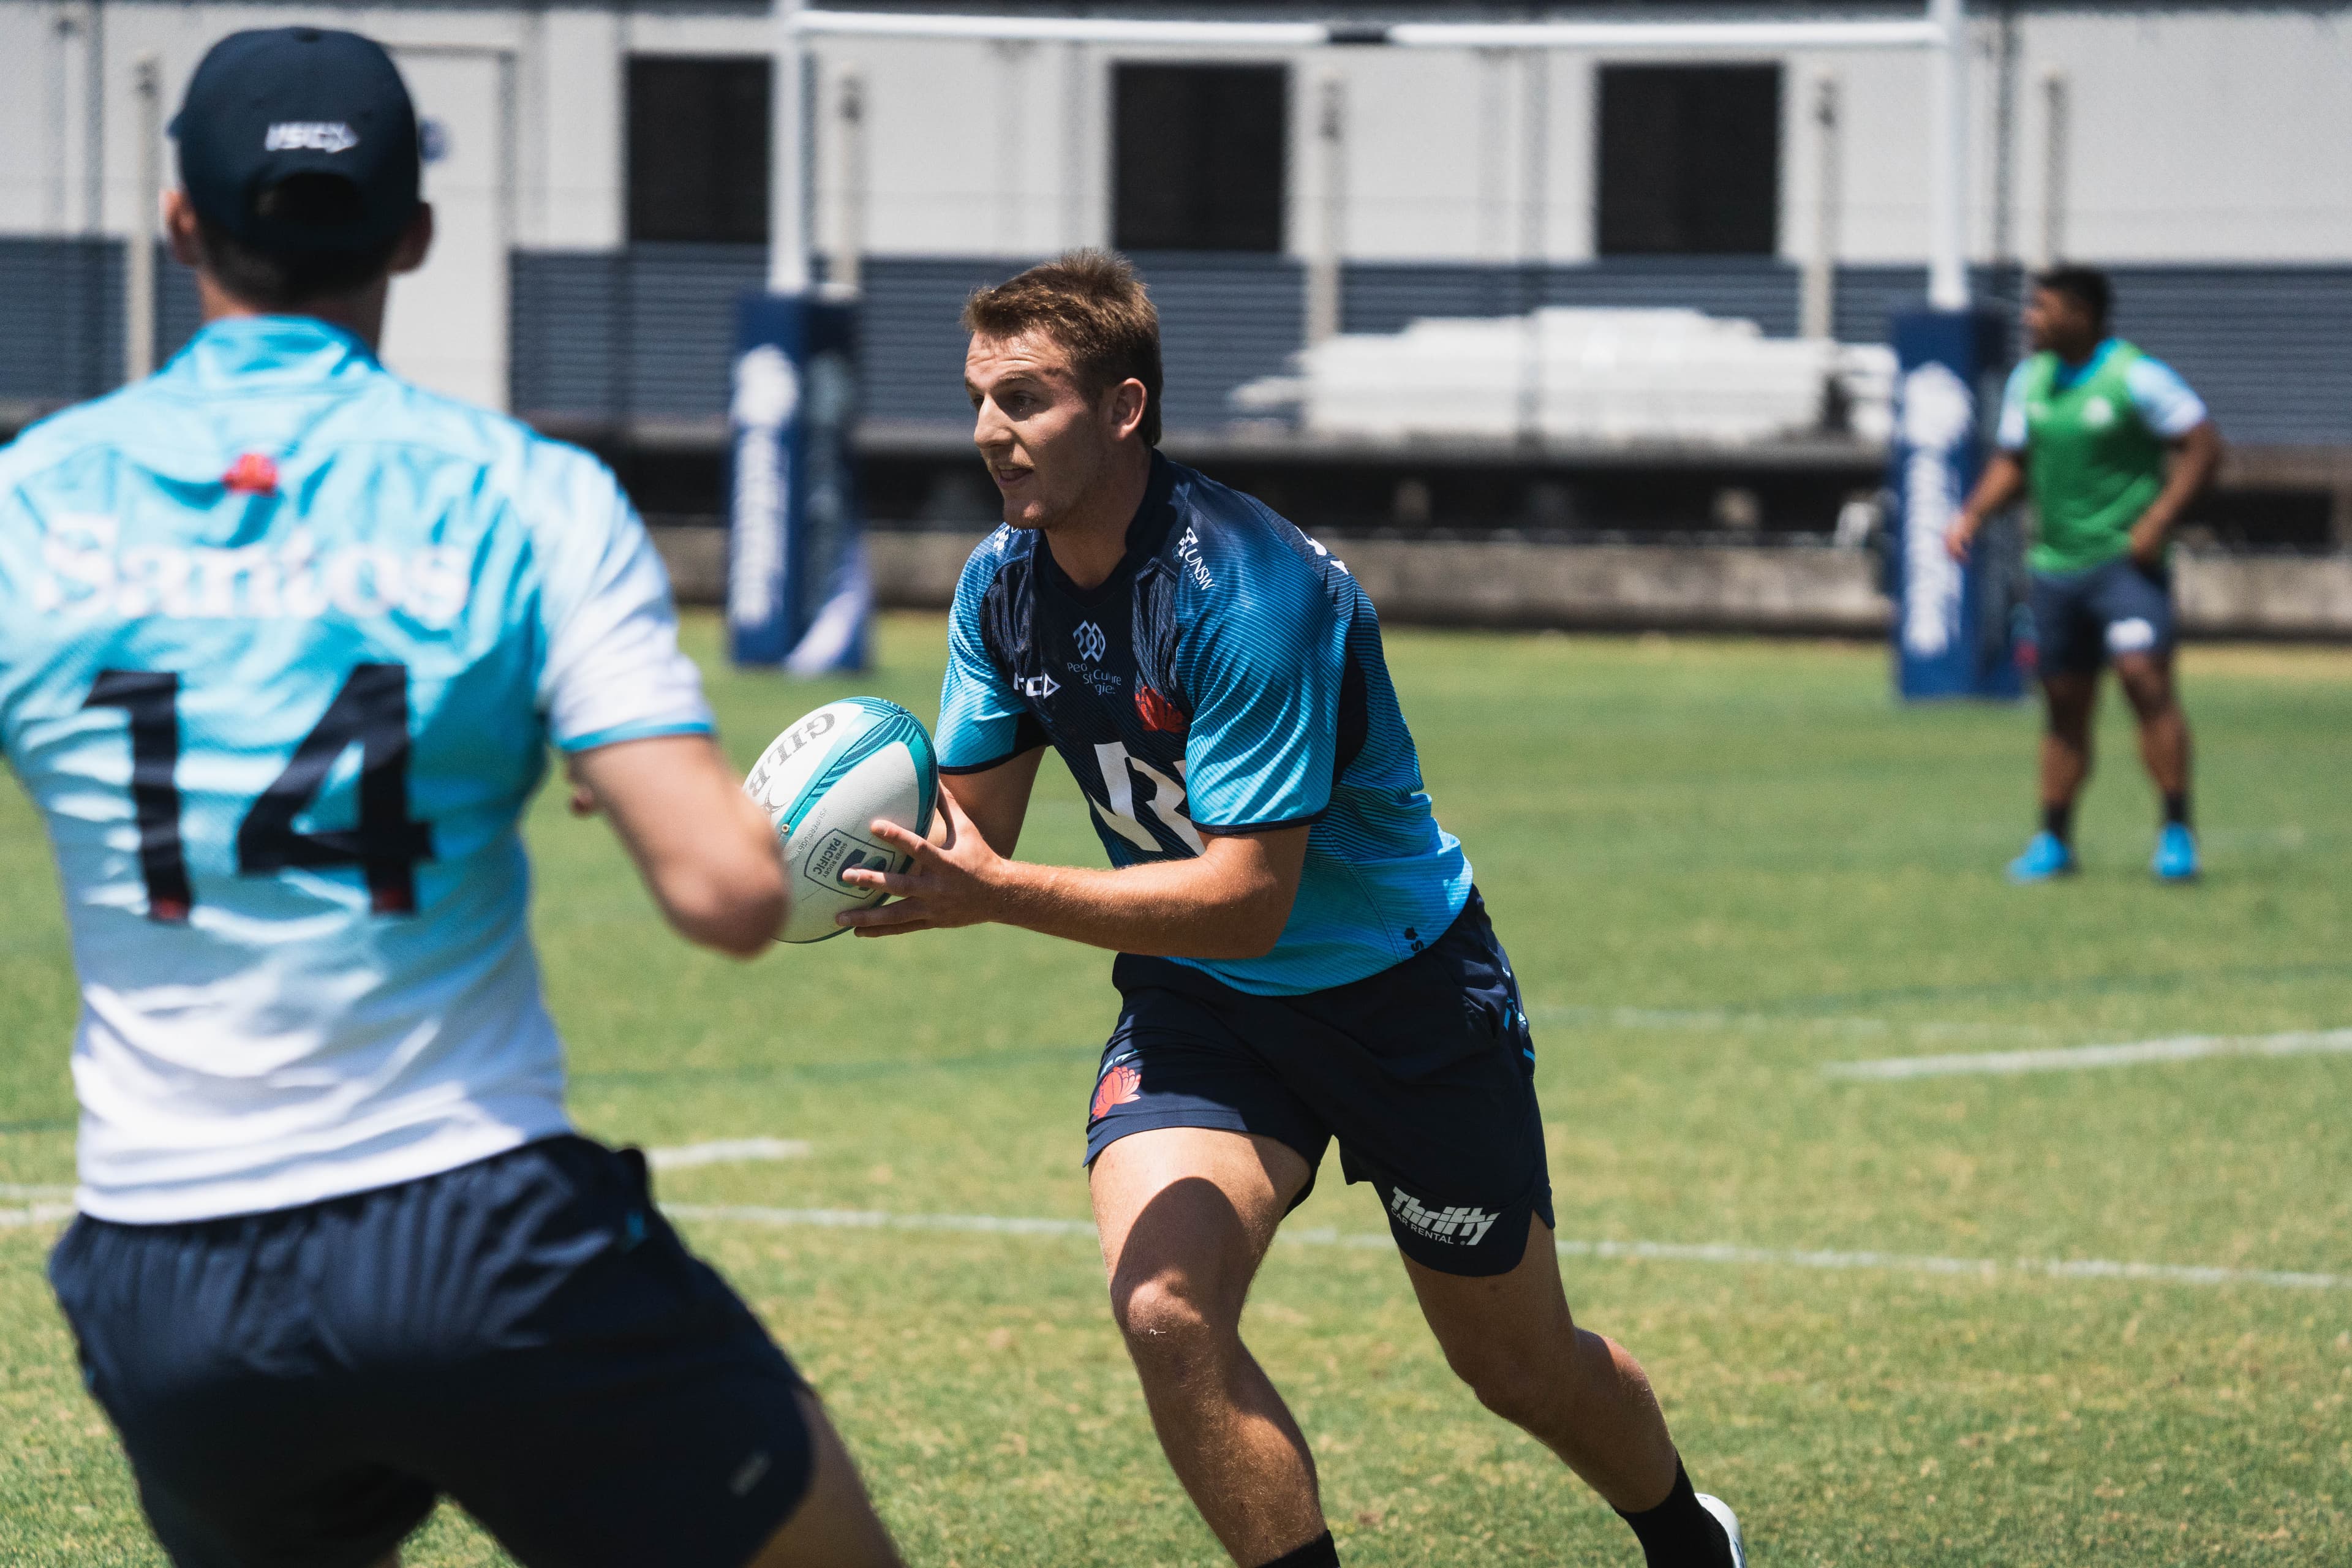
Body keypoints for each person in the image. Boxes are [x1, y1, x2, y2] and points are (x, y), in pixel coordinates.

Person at [0, 28, 901, 1568]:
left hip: (163, 1280)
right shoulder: (527, 496)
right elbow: (731, 895)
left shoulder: (30, 505)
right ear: (414, 231)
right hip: (475, 1236)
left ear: (179, 223)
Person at [839, 251, 1744, 1568]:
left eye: (1027, 399)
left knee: (1516, 1364)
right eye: (981, 397)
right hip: (1201, 1004)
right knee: (1165, 1308)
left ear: (1125, 409)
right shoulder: (1002, 585)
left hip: (1404, 996)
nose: (991, 431)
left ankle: (1683, 1533)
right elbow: (975, 833)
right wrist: (807, 852)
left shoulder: (1248, 591)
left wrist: (994, 895)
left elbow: (1246, 899)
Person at [1947, 266, 2223, 883]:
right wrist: (1973, 515)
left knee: (2143, 679)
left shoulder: (2137, 376)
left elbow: (2204, 447)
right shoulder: (2031, 380)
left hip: (2126, 566)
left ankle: (2177, 832)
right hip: (2056, 567)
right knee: (2065, 704)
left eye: (2042, 309)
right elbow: (2016, 462)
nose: (2030, 319)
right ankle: (2054, 840)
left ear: (2080, 314)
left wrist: (2159, 518)